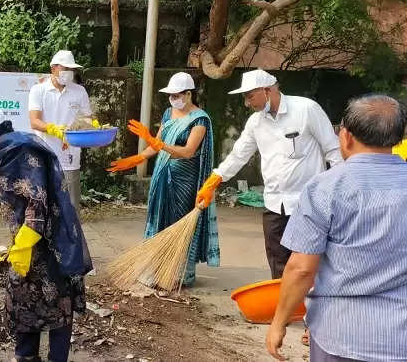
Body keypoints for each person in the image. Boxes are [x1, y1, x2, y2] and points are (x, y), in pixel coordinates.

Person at [265, 95, 407, 362]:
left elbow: (301, 268)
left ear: (346, 136)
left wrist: (279, 323)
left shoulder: (325, 188)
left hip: (341, 335)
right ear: (398, 139)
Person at [0, 105, 92, 362]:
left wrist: (26, 242)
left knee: (58, 302)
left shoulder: (24, 153)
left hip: (50, 241)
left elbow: (37, 201)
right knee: (23, 298)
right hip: (24, 243)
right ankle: (26, 356)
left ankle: (57, 358)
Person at [195, 69, 342, 279]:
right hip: (275, 203)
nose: (247, 103)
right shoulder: (256, 122)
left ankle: (312, 309)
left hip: (309, 202)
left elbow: (333, 150)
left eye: (249, 96)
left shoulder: (306, 109)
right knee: (278, 261)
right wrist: (214, 181)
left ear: (268, 90)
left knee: (308, 263)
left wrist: (339, 190)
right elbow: (238, 154)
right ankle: (283, 307)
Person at [108, 72, 219, 286]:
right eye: (170, 95)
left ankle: (180, 274)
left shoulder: (200, 119)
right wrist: (137, 158)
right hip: (162, 175)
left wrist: (158, 145)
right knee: (159, 217)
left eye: (177, 95)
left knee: (178, 220)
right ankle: (156, 269)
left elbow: (187, 152)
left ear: (188, 94)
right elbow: (156, 143)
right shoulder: (169, 113)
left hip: (185, 179)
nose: (173, 99)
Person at [29, 50, 93, 215]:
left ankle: (72, 239)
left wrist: (91, 125)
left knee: (70, 207)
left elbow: (88, 119)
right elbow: (34, 121)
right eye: (65, 69)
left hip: (70, 155)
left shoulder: (79, 91)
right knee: (42, 204)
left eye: (71, 70)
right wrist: (53, 129)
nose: (68, 73)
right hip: (44, 154)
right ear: (53, 69)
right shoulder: (39, 90)